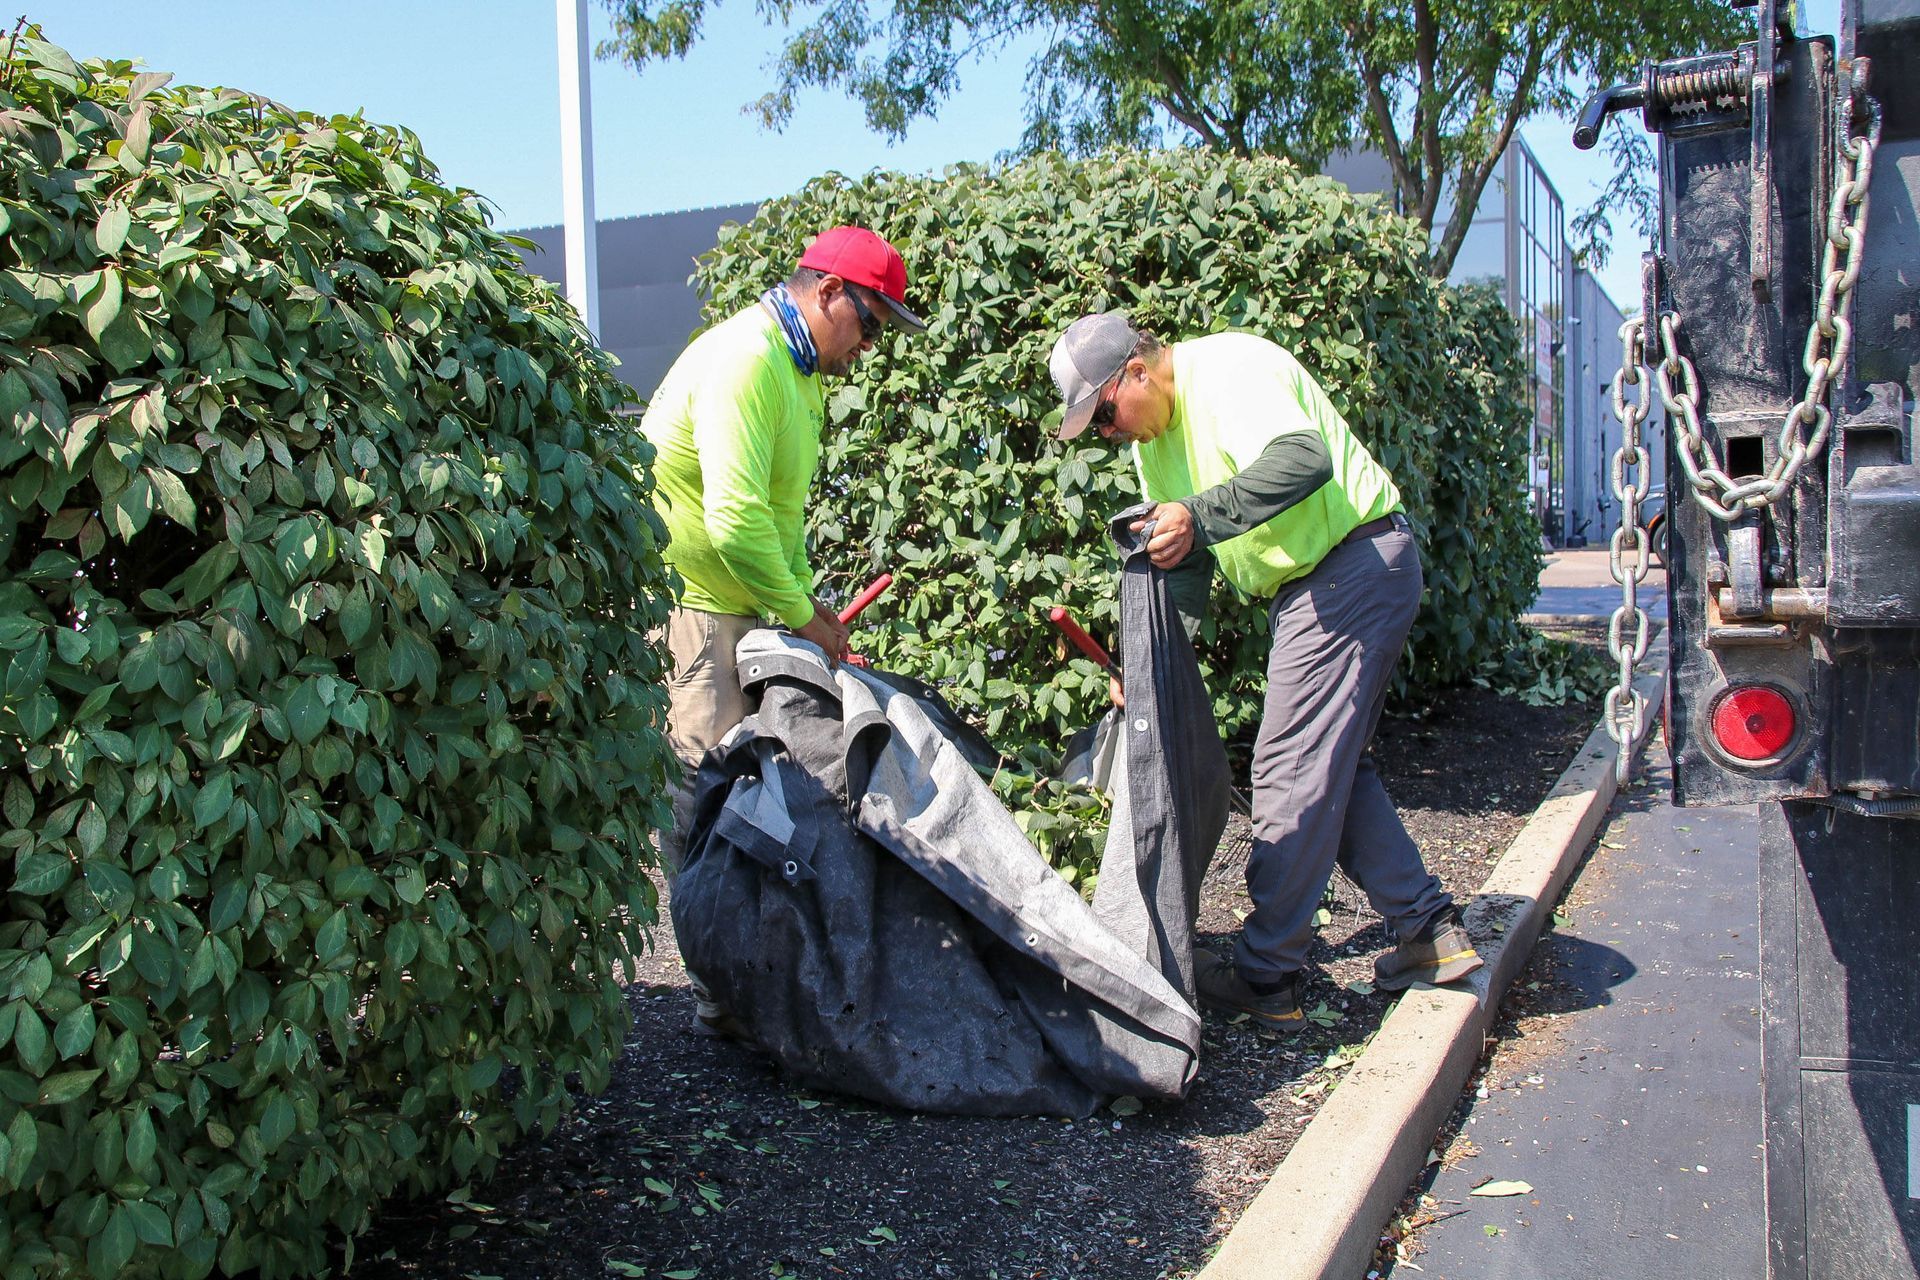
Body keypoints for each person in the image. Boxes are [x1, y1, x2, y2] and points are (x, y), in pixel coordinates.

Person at [1046, 312, 1482, 1030]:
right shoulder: (1154, 445)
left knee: (1287, 770)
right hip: (1320, 584)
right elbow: (1178, 561)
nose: (1107, 433)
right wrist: (1145, 664)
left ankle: (1265, 972)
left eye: (1104, 414)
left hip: (1352, 565)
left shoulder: (1230, 370)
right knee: (1332, 770)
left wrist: (1198, 514)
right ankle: (1429, 931)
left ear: (1136, 372)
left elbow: (1303, 460)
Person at [641, 226, 924, 1030]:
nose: (869, 346)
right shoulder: (748, 360)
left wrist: (809, 614)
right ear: (830, 292)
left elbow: (779, 517)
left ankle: (745, 972)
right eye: (870, 323)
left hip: (745, 608)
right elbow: (732, 521)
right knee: (702, 795)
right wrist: (801, 615)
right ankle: (718, 994)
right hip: (695, 610)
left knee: (753, 793)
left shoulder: (799, 375)